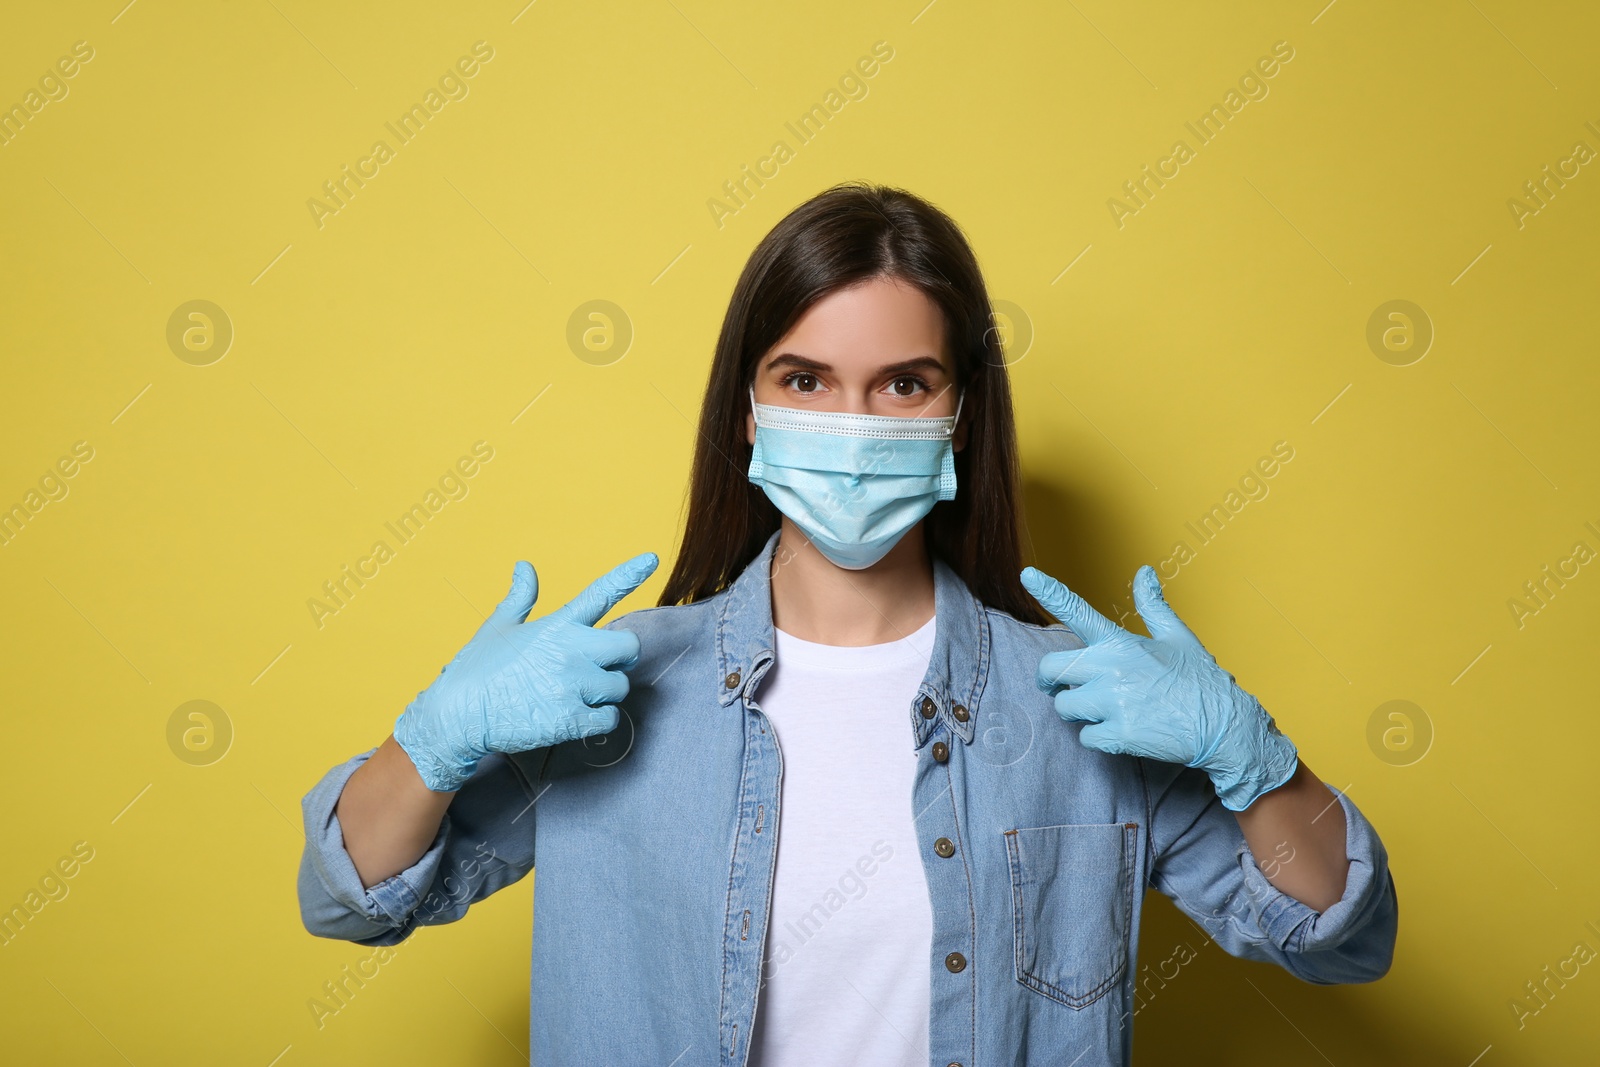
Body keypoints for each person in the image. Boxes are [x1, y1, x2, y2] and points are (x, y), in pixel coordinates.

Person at [296, 181, 1398, 1066]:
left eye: (904, 383)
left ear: (961, 413)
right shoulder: (602, 690)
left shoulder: (1090, 702)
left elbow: (1341, 939)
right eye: (807, 378)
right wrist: (433, 736)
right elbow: (349, 898)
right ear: (748, 405)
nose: (853, 424)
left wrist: (1251, 760)